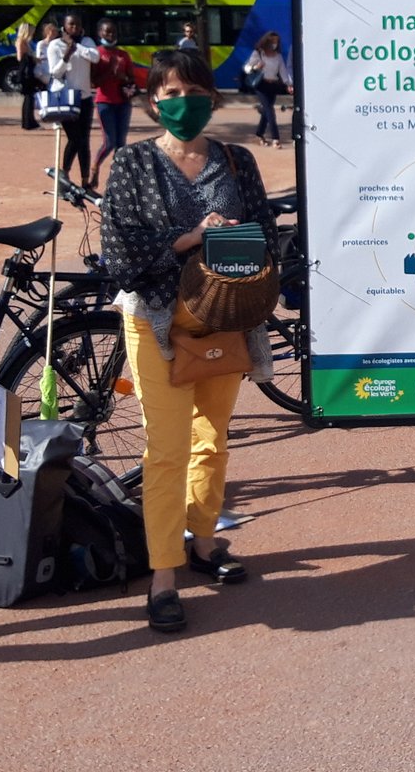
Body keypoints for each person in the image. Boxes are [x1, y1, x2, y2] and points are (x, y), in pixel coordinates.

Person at [99, 50, 274, 634]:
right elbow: (120, 257)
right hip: (156, 318)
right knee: (167, 447)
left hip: (225, 318)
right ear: (153, 101)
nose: (184, 102)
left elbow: (268, 238)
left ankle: (203, 542)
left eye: (195, 91)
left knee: (213, 437)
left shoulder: (236, 159)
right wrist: (192, 238)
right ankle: (164, 574)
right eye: (171, 93)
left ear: (213, 98)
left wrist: (238, 240)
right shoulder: (132, 164)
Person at [45, 13, 100, 188]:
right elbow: (55, 73)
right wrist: (67, 54)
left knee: (85, 141)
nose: (74, 28)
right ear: (64, 26)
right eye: (71, 25)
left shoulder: (87, 42)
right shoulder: (55, 45)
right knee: (75, 139)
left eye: (77, 25)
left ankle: (85, 180)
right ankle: (64, 174)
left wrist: (76, 46)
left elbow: (95, 57)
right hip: (66, 99)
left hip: (84, 98)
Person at [91, 19, 136, 177]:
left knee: (121, 143)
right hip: (105, 102)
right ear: (100, 33)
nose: (110, 35)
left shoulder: (123, 55)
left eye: (113, 32)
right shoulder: (97, 53)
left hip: (123, 103)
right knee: (109, 142)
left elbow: (132, 80)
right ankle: (95, 167)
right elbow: (94, 82)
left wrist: (122, 76)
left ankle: (118, 175)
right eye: (106, 31)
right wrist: (110, 71)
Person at [243, 31, 293, 148]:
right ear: (266, 41)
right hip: (261, 85)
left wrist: (288, 84)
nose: (274, 44)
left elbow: (283, 72)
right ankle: (276, 138)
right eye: (272, 41)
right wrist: (256, 67)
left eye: (276, 42)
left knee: (266, 112)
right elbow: (247, 68)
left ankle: (259, 134)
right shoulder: (259, 53)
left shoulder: (278, 56)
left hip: (273, 85)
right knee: (270, 111)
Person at [14, 20, 41, 132]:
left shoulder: (26, 42)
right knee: (28, 98)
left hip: (29, 70)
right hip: (26, 72)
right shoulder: (21, 41)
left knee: (30, 98)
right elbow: (20, 57)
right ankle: (27, 122)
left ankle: (30, 121)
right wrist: (31, 58)